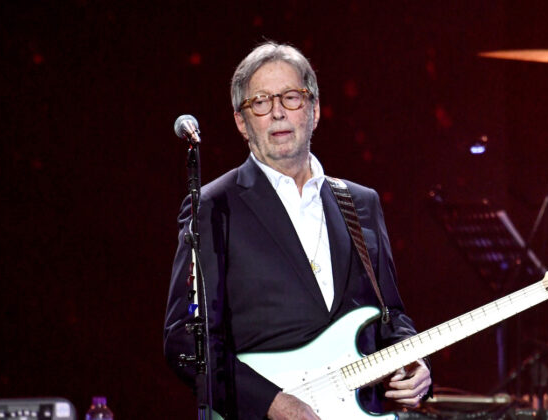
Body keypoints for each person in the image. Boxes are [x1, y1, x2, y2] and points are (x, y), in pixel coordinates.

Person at [164, 41, 431, 419]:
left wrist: (414, 364)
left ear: (315, 110)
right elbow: (184, 339)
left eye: (291, 97)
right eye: (260, 102)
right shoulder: (213, 206)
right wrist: (272, 403)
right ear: (242, 122)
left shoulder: (361, 203)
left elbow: (390, 316)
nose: (276, 112)